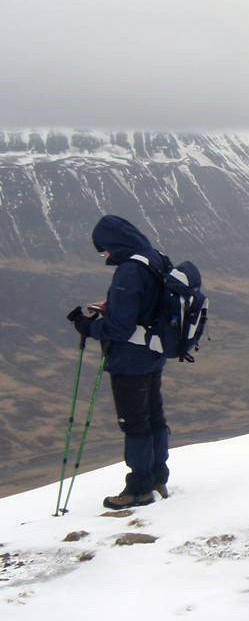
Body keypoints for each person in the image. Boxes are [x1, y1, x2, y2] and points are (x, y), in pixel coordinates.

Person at [69, 215, 171, 509]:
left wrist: (88, 327)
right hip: (154, 352)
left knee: (135, 423)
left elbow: (120, 329)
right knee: (154, 417)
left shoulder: (129, 271)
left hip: (130, 359)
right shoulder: (156, 259)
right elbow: (148, 306)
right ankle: (157, 477)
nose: (105, 255)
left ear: (115, 243)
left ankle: (138, 489)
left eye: (104, 249)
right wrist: (113, 306)